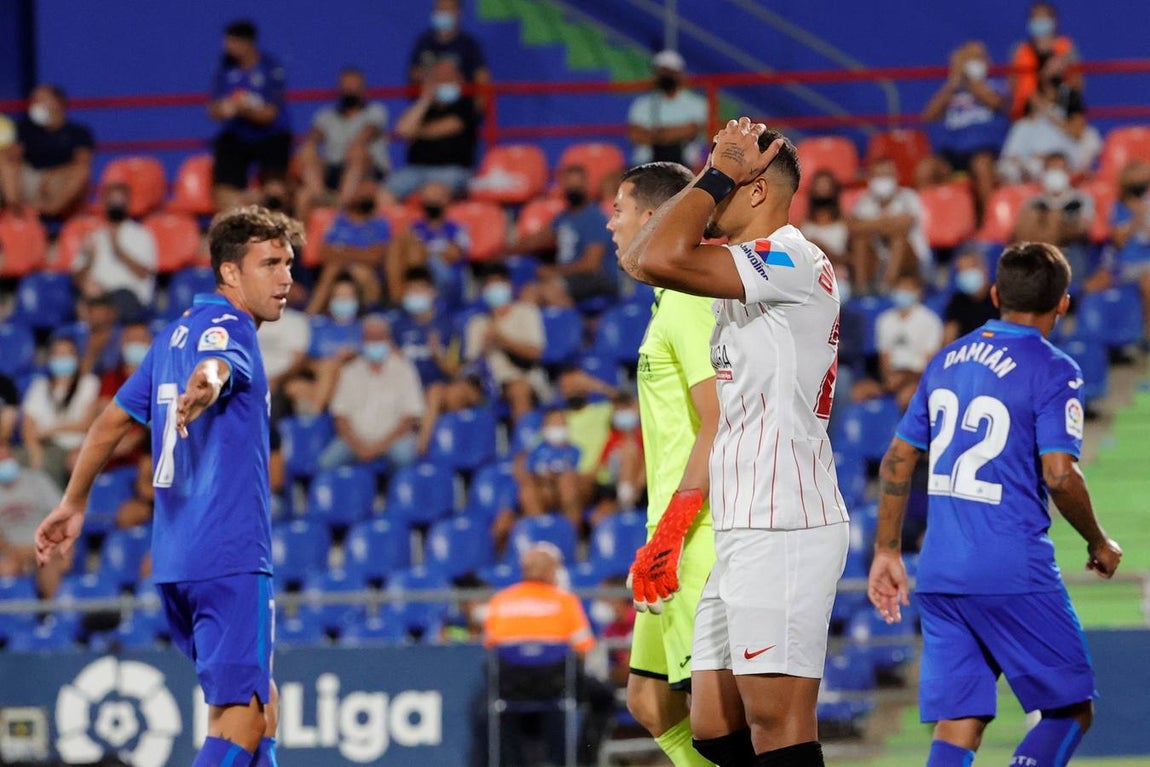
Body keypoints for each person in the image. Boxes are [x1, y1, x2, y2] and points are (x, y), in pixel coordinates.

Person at [35, 205, 301, 767]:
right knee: (243, 716)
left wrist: (73, 500)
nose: (286, 278)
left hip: (178, 556)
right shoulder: (230, 329)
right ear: (230, 273)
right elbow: (215, 369)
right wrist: (204, 388)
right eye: (271, 264)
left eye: (290, 264)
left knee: (260, 705)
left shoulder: (172, 335)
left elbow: (111, 422)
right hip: (229, 553)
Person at [619, 119, 848, 767]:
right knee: (715, 725)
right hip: (744, 521)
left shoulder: (791, 257)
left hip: (786, 517)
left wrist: (721, 167)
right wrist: (718, 171)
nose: (703, 192)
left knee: (777, 725)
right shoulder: (742, 278)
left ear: (754, 192)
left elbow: (655, 254)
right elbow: (642, 257)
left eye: (718, 182)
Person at [867, 241, 1122, 767]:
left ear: (994, 294)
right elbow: (1059, 473)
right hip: (1011, 567)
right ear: (1064, 303)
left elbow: (897, 459)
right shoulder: (1054, 369)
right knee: (1071, 709)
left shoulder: (945, 359)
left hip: (939, 570)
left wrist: (887, 551)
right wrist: (1097, 540)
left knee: (960, 720)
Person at [605, 161, 720, 767]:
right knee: (649, 700)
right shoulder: (665, 302)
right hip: (667, 531)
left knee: (718, 719)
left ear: (652, 219)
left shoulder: (689, 302)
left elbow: (718, 418)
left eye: (619, 210)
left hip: (696, 533)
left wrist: (675, 530)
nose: (609, 224)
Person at [482, 542, 614, 766]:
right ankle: (584, 760)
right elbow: (584, 650)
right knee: (604, 696)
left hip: (511, 689)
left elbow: (489, 648)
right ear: (550, 571)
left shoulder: (500, 601)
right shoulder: (565, 601)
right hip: (556, 688)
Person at [319, 314, 424, 473]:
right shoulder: (350, 371)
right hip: (354, 440)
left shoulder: (404, 370)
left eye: (379, 337)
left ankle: (399, 496)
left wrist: (378, 447)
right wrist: (358, 446)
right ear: (363, 340)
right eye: (370, 337)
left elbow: (409, 417)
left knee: (405, 457)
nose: (374, 342)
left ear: (388, 339)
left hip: (394, 439)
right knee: (325, 463)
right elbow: (340, 416)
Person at [918, 41, 1008, 224]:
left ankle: (988, 223)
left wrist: (968, 81)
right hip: (952, 153)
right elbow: (928, 115)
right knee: (925, 169)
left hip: (983, 152)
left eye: (978, 57)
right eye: (969, 58)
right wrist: (953, 82)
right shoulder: (952, 90)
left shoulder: (997, 86)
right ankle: (929, 225)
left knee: (982, 166)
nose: (974, 62)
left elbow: (994, 103)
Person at [208, 20, 292, 212]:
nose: (226, 47)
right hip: (237, 138)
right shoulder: (224, 69)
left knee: (276, 193)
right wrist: (224, 108)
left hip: (271, 137)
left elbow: (269, 115)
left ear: (247, 43)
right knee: (224, 193)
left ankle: (268, 219)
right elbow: (213, 109)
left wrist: (243, 108)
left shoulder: (271, 68)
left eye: (231, 42)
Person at [295, 67, 390, 218]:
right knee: (306, 152)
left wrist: (355, 146)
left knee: (357, 152)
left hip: (367, 173)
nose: (349, 90)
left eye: (354, 86)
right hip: (334, 172)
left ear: (363, 89)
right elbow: (312, 138)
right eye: (346, 86)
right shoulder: (325, 116)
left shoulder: (375, 111)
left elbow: (367, 133)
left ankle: (340, 206)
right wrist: (310, 146)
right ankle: (322, 200)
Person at [519, 165, 617, 305]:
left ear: (585, 185)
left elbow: (591, 264)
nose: (573, 191)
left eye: (577, 187)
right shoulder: (564, 217)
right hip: (569, 276)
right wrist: (506, 249)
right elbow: (540, 239)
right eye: (570, 187)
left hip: (598, 277)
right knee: (528, 292)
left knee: (551, 291)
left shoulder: (595, 218)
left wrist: (555, 271)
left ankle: (571, 324)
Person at [464, 264, 546, 421]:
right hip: (488, 383)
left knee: (518, 389)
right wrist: (483, 348)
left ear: (509, 285)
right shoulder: (477, 322)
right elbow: (471, 364)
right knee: (457, 393)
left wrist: (503, 341)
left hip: (523, 377)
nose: (494, 289)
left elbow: (535, 353)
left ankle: (523, 442)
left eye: (498, 283)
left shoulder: (526, 312)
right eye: (489, 285)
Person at [390, 58, 481, 201]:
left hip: (452, 170)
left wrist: (416, 132)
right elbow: (402, 130)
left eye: (448, 77)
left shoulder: (466, 106)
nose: (443, 81)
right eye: (438, 78)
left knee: (432, 192)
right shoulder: (424, 109)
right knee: (384, 194)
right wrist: (425, 100)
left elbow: (447, 127)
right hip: (415, 170)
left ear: (459, 79)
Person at [0, 83, 93, 217]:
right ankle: (16, 212)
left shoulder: (79, 133)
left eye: (40, 100)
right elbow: (10, 158)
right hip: (28, 182)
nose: (34, 105)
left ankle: (49, 212)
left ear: (58, 103)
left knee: (81, 172)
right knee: (3, 158)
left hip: (57, 184)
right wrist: (12, 154)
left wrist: (51, 175)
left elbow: (83, 163)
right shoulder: (24, 129)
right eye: (33, 100)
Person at [21, 335, 101, 485]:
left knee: (72, 461)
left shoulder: (89, 383)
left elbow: (86, 424)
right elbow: (27, 425)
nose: (63, 358)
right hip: (47, 446)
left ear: (76, 358)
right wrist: (34, 449)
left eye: (67, 353)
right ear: (49, 358)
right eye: (58, 354)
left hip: (77, 446)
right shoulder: (40, 385)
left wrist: (51, 430)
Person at [73, 182, 159, 323]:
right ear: (104, 202)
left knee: (117, 300)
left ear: (128, 202)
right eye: (112, 200)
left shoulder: (141, 235)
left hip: (129, 297)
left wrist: (118, 250)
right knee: (83, 303)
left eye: (120, 200)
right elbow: (77, 280)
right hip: (96, 297)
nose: (115, 205)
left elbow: (144, 273)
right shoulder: (94, 236)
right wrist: (89, 260)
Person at [304, 180, 393, 313]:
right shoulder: (338, 221)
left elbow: (375, 257)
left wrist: (342, 251)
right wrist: (362, 253)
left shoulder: (380, 223)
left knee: (361, 272)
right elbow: (325, 253)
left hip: (368, 273)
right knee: (332, 269)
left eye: (370, 195)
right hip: (338, 269)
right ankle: (310, 316)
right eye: (362, 194)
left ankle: (369, 315)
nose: (366, 198)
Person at [848, 157, 932, 294]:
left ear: (896, 176)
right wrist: (885, 222)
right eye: (878, 175)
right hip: (878, 257)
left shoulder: (909, 197)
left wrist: (872, 224)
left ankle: (887, 285)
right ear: (870, 178)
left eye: (886, 175)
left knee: (898, 237)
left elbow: (905, 224)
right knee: (860, 240)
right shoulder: (865, 200)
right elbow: (853, 228)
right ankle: (861, 289)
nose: (882, 180)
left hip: (910, 258)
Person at [1013, 153, 1094, 288]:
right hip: (1035, 249)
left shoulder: (1081, 199)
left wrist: (1057, 224)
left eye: (1060, 170)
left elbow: (1083, 229)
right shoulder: (1033, 202)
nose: (1056, 174)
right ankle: (1030, 272)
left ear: (1068, 172)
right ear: (1044, 173)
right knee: (1032, 216)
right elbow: (1019, 235)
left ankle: (1041, 275)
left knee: (1054, 217)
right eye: (1052, 170)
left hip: (1071, 251)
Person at [0, 439, 67, 598]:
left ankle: (54, 617)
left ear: (13, 458)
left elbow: (60, 515)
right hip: (9, 551)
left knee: (48, 565)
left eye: (5, 458)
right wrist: (11, 551)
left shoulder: (37, 480)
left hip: (45, 545)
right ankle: (15, 621)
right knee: (6, 569)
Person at [875, 269, 944, 411]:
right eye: (899, 288)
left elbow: (929, 363)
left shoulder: (930, 320)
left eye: (908, 288)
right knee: (860, 392)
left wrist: (906, 377)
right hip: (893, 377)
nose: (902, 292)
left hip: (916, 378)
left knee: (906, 397)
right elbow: (884, 358)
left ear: (918, 292)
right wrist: (890, 379)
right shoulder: (884, 320)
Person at [627, 50, 708, 168]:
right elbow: (635, 135)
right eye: (660, 72)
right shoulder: (642, 103)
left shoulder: (697, 103)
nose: (664, 76)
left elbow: (692, 130)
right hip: (646, 164)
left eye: (669, 72)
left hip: (685, 164)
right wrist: (675, 133)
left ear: (679, 74)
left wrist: (654, 134)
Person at [1007, 2, 1081, 121]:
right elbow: (1014, 87)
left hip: (1061, 114)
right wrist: (1044, 76)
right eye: (1035, 19)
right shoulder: (1020, 51)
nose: (1039, 23)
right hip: (1028, 117)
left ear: (1054, 22)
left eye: (1044, 19)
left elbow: (1077, 86)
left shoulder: (1067, 49)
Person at [407, 0, 491, 95]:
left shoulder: (469, 45)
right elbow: (413, 74)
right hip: (430, 105)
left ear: (458, 12)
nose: (442, 13)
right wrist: (436, 74)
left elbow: (482, 78)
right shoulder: (424, 43)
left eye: (446, 9)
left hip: (463, 105)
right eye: (439, 9)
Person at [409, 181, 470, 309]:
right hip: (422, 276)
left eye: (437, 197)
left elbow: (454, 254)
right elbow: (413, 256)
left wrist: (428, 252)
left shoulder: (457, 228)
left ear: (446, 201)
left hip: (451, 281)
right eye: (428, 197)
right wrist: (437, 252)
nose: (432, 202)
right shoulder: (414, 229)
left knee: (436, 262)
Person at [1111, 160, 1150, 341]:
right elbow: (1118, 241)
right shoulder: (1120, 208)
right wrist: (1137, 218)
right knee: (1148, 282)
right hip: (1129, 265)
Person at [942, 247, 998, 344]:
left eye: (970, 268)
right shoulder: (957, 301)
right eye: (962, 270)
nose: (966, 274)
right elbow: (948, 338)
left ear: (984, 268)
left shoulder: (999, 296)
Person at [799, 170, 849, 265]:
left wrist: (824, 250)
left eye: (826, 185)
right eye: (819, 185)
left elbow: (853, 259)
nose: (823, 189)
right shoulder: (801, 224)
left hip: (839, 275)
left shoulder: (846, 223)